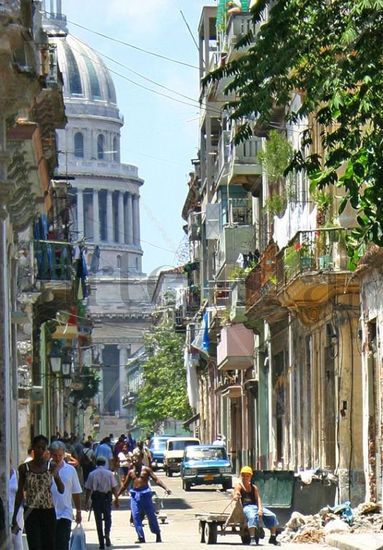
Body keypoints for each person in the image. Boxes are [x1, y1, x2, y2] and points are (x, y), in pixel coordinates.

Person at [12, 434, 65, 550]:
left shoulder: (51, 466)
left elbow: (62, 490)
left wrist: (56, 476)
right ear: (33, 448)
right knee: (35, 545)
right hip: (31, 512)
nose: (40, 450)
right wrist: (15, 516)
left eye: (43, 448)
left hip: (48, 511)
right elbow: (20, 493)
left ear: (46, 449)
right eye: (38, 447)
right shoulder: (24, 468)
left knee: (49, 545)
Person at [118, 450, 171, 543]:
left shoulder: (146, 469)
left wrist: (166, 488)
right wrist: (117, 495)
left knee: (151, 516)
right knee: (135, 516)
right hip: (135, 496)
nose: (134, 462)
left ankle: (157, 534)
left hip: (146, 494)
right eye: (133, 460)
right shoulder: (131, 472)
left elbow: (156, 480)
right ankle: (141, 537)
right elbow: (125, 485)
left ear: (141, 459)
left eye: (136, 460)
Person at [233, 466, 280, 546]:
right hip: (246, 507)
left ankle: (273, 537)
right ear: (241, 476)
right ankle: (252, 538)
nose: (245, 478)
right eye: (243, 475)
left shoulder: (254, 487)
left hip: (255, 506)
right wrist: (236, 495)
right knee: (252, 517)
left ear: (250, 477)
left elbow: (258, 499)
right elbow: (236, 493)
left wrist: (260, 509)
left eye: (247, 476)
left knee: (272, 516)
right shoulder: (239, 486)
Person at [49, 440, 82, 550]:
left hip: (65, 513)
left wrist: (78, 511)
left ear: (63, 454)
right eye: (55, 455)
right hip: (49, 512)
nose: (57, 458)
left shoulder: (70, 470)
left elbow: (76, 492)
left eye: (60, 455)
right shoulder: (45, 469)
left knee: (62, 544)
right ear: (50, 454)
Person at [84, 456, 119, 549]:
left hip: (96, 500)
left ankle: (101, 543)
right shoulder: (109, 473)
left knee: (98, 521)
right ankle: (107, 533)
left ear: (96, 463)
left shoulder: (92, 474)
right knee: (108, 518)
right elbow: (114, 487)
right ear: (104, 463)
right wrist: (117, 499)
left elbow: (88, 489)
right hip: (107, 499)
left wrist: (87, 502)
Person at [9, 461, 23, 550]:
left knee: (17, 540)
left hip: (17, 510)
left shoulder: (16, 474)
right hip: (4, 511)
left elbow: (20, 494)